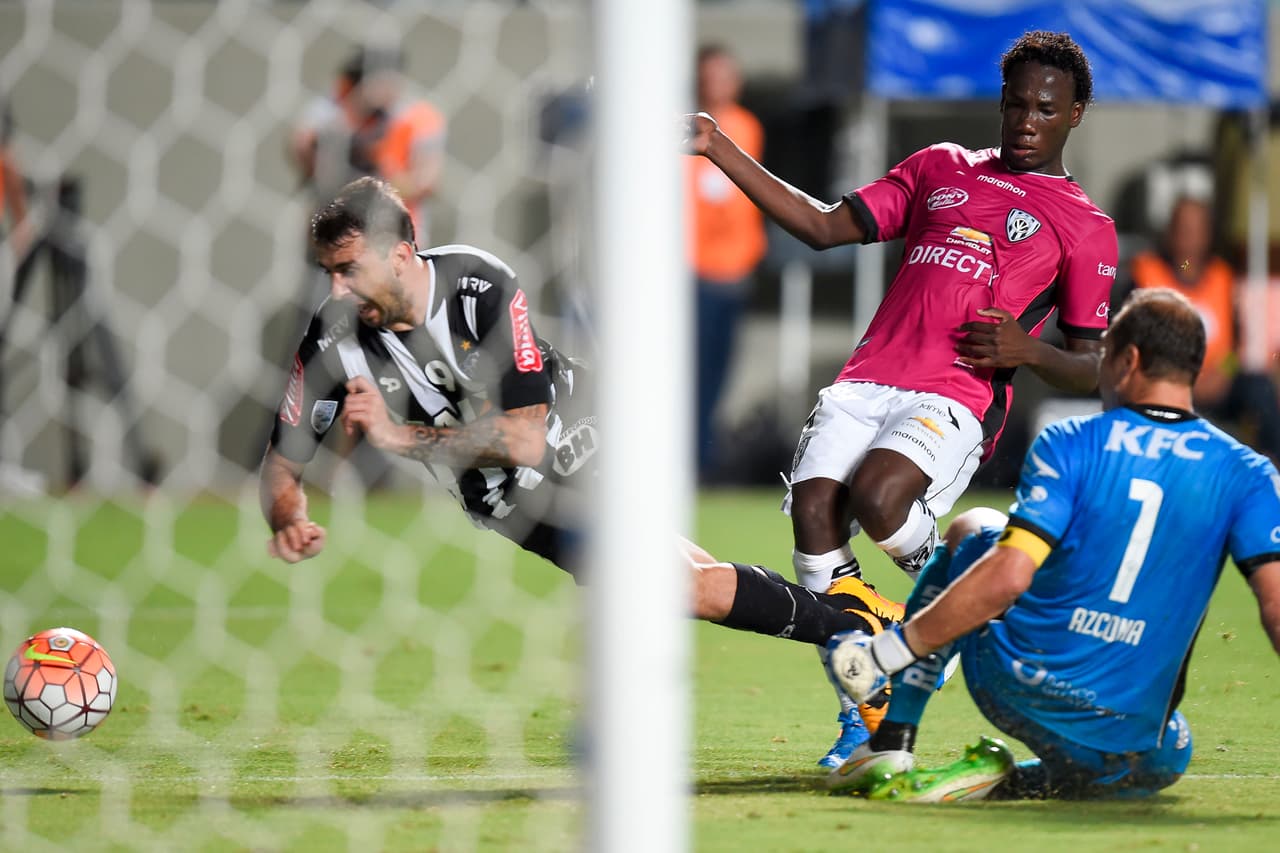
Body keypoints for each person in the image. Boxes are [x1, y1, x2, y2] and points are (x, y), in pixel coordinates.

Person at [685, 30, 1118, 767]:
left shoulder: (1086, 226)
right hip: (867, 378)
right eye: (1016, 105)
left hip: (956, 393)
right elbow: (823, 226)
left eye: (1046, 110)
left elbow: (1092, 366)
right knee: (814, 512)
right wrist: (715, 144)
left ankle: (967, 602)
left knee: (882, 496)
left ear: (1075, 113)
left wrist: (1027, 350)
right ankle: (865, 709)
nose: (1027, 122)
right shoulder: (939, 166)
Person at [825, 288, 1280, 801]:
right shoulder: (1249, 472)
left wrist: (885, 653)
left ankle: (896, 739)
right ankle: (1017, 780)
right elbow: (1276, 611)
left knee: (973, 527)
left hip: (1021, 686)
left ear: (1128, 360)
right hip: (1131, 729)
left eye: (1105, 357)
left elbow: (1008, 576)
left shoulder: (1073, 441)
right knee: (1170, 749)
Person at [1124, 194, 1280, 462]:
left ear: (1208, 235)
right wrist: (1180, 380)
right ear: (1170, 232)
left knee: (1259, 387)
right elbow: (1131, 342)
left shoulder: (1222, 277)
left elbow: (1236, 346)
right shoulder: (1147, 275)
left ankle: (1272, 465)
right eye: (1183, 228)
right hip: (1162, 383)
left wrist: (1223, 374)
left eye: (1196, 230)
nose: (1189, 238)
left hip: (1216, 384)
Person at [685, 44, 767, 482]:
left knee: (718, 372)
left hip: (733, 272)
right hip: (690, 271)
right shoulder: (680, 129)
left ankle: (701, 460)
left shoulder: (747, 127)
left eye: (724, 75)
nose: (716, 83)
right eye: (709, 74)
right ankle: (682, 459)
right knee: (686, 371)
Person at [289, 45, 446, 247]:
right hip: (333, 231)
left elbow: (427, 182)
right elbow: (300, 144)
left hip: (395, 233)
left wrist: (379, 175)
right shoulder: (336, 109)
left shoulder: (417, 117)